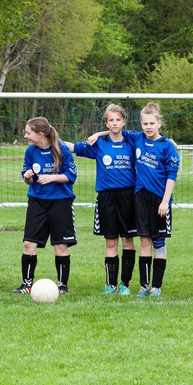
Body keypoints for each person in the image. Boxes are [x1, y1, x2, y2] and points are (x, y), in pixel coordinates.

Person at [89, 102, 179, 297]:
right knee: (144, 242)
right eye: (145, 123)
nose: (148, 127)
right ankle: (144, 286)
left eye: (151, 123)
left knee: (159, 243)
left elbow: (172, 176)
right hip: (140, 198)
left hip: (160, 200)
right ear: (141, 124)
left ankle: (156, 287)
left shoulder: (167, 147)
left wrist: (165, 201)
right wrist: (98, 134)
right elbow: (115, 129)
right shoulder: (137, 138)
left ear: (159, 124)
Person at [73, 104, 138, 295]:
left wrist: (100, 132)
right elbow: (74, 148)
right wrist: (50, 139)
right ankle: (110, 285)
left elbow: (151, 135)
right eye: (111, 120)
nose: (115, 123)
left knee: (127, 241)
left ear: (124, 121)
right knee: (110, 242)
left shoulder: (132, 141)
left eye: (118, 119)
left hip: (128, 197)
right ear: (106, 122)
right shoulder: (99, 144)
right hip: (106, 198)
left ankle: (125, 284)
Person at [12, 117, 77, 295]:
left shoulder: (62, 150)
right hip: (37, 202)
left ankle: (62, 286)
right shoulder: (30, 151)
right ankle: (27, 285)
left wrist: (52, 178)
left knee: (61, 245)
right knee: (28, 244)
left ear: (40, 134)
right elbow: (27, 178)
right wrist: (28, 176)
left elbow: (71, 175)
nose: (25, 136)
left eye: (28, 132)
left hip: (60, 202)